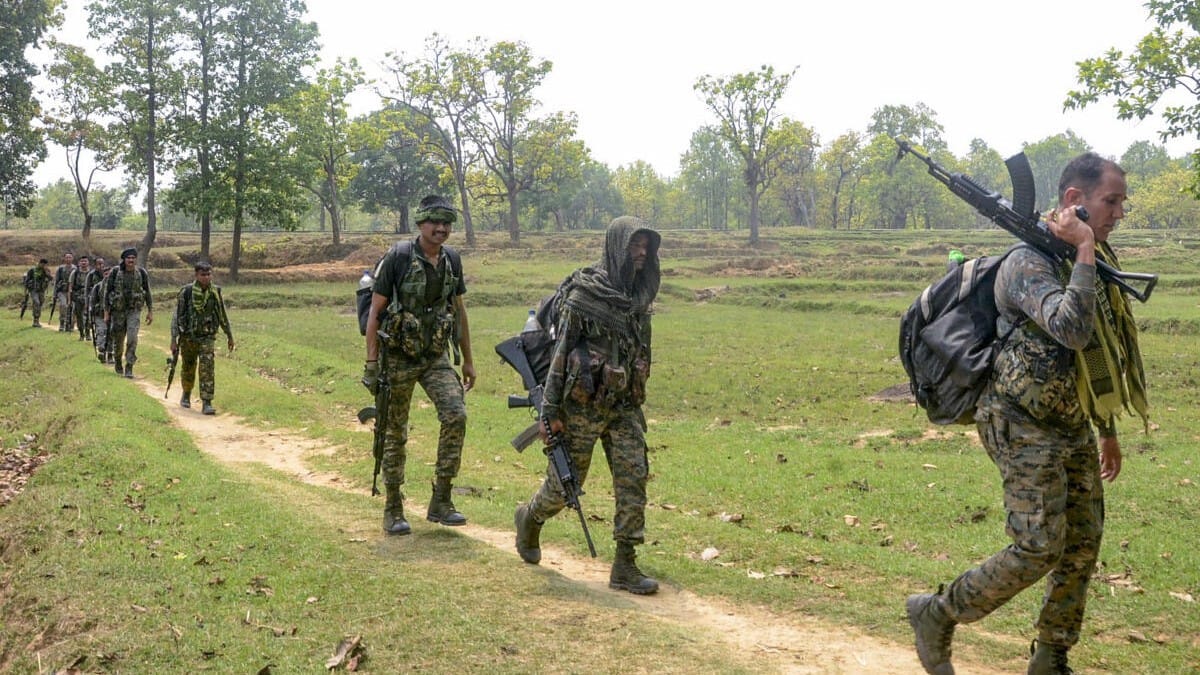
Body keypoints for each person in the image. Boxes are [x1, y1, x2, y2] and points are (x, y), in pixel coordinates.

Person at [906, 153, 1149, 675]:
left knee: (1083, 542)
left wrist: (1105, 427)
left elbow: (1098, 349)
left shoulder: (1086, 260)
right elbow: (1071, 328)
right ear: (1074, 202)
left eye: (1121, 202)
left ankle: (1051, 654)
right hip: (1019, 421)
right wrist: (1084, 249)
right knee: (1039, 547)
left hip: (1072, 422)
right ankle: (937, 612)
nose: (1119, 213)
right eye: (1112, 201)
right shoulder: (1027, 264)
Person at [513, 216, 663, 595]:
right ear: (617, 246)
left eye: (646, 246)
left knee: (634, 476)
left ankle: (625, 564)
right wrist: (549, 414)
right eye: (635, 245)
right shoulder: (585, 296)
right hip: (580, 406)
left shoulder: (640, 297)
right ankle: (530, 517)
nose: (642, 253)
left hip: (624, 405)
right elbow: (561, 356)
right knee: (564, 488)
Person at [361, 194, 476, 535]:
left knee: (456, 414)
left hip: (435, 355)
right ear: (421, 224)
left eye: (446, 223)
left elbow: (459, 311)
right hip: (397, 356)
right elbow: (375, 312)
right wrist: (371, 363)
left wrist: (468, 359)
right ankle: (393, 507)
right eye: (434, 222)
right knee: (394, 431)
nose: (441, 229)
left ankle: (441, 499)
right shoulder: (398, 257)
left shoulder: (452, 260)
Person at [170, 262, 234, 415]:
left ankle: (207, 402)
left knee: (207, 368)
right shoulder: (187, 292)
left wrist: (229, 335)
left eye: (208, 274)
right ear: (196, 275)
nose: (206, 277)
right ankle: (186, 394)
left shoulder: (215, 292)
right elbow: (177, 316)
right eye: (203, 275)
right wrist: (174, 338)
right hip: (189, 337)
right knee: (188, 366)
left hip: (207, 337)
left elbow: (222, 314)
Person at [103, 248, 154, 378]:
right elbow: (107, 292)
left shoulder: (141, 273)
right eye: (128, 258)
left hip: (134, 310)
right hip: (118, 311)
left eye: (133, 258)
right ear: (124, 260)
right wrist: (106, 312)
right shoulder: (115, 272)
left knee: (132, 338)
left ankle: (129, 366)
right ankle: (118, 360)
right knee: (118, 340)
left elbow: (147, 292)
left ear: (136, 259)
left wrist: (150, 311)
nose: (131, 260)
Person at [85, 258, 109, 361]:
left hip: (113, 314)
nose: (101, 266)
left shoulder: (115, 285)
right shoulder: (96, 285)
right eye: (106, 274)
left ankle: (110, 353)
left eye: (102, 264)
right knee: (101, 331)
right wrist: (89, 310)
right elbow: (91, 298)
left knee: (111, 333)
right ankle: (101, 350)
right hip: (99, 313)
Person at [67, 255, 91, 341]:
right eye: (82, 261)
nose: (84, 263)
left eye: (85, 261)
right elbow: (70, 287)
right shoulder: (75, 273)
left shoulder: (91, 273)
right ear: (79, 263)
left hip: (88, 297)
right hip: (77, 297)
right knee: (79, 316)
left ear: (88, 263)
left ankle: (88, 333)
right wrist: (69, 300)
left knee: (88, 316)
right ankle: (81, 334)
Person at [22, 259, 52, 328]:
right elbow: (26, 281)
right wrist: (25, 291)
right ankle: (36, 320)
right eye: (42, 264)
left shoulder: (46, 271)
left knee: (40, 303)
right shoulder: (32, 270)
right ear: (39, 263)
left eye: (45, 264)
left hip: (41, 290)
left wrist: (46, 273)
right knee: (36, 302)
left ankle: (36, 317)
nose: (43, 266)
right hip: (33, 290)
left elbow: (51, 278)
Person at [53, 251, 75, 332]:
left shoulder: (75, 269)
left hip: (72, 292)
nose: (68, 259)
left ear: (72, 258)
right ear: (64, 258)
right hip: (62, 291)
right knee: (63, 305)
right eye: (67, 257)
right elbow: (56, 281)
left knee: (72, 309)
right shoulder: (60, 269)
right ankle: (62, 323)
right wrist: (54, 294)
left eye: (70, 257)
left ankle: (70, 324)